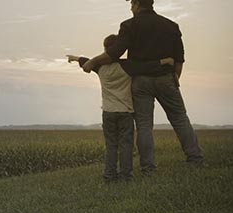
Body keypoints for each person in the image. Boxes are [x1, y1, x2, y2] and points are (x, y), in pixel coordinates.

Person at [82, 0, 205, 174]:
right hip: (166, 78)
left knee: (144, 125)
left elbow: (115, 53)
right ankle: (195, 159)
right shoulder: (171, 26)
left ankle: (148, 168)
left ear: (138, 4)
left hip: (141, 82)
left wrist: (92, 61)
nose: (131, 8)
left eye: (132, 4)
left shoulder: (129, 25)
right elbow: (179, 58)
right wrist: (175, 78)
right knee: (180, 118)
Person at [67, 34, 174, 181]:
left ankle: (109, 176)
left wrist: (74, 58)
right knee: (126, 146)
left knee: (111, 146)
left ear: (105, 49)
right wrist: (165, 61)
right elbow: (147, 66)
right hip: (126, 112)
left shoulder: (99, 67)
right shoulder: (127, 66)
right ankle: (125, 176)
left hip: (108, 112)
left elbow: (86, 61)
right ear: (120, 50)